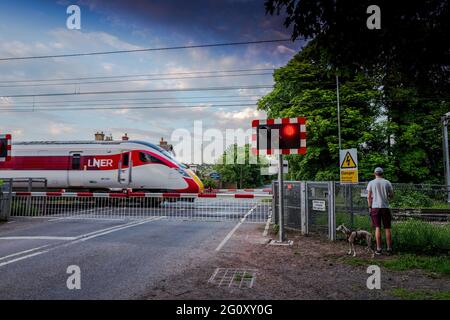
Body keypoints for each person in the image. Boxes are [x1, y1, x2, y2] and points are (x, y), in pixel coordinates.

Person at [367, 167, 394, 255]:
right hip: (385, 207)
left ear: (374, 173)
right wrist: (387, 196)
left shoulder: (371, 183)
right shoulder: (387, 182)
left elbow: (369, 197)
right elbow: (392, 195)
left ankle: (379, 249)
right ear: (382, 174)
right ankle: (389, 249)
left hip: (375, 207)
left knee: (377, 228)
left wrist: (370, 207)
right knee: (387, 228)